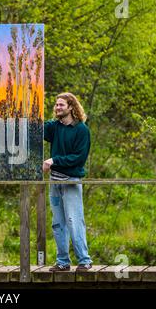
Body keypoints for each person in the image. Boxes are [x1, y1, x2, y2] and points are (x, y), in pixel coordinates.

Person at [43, 92, 93, 272]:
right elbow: (36, 129)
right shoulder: (54, 127)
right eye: (56, 105)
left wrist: (54, 160)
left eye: (61, 105)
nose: (57, 108)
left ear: (71, 107)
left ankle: (84, 261)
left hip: (71, 181)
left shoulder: (82, 130)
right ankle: (63, 262)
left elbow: (78, 159)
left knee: (74, 221)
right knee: (57, 223)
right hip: (54, 182)